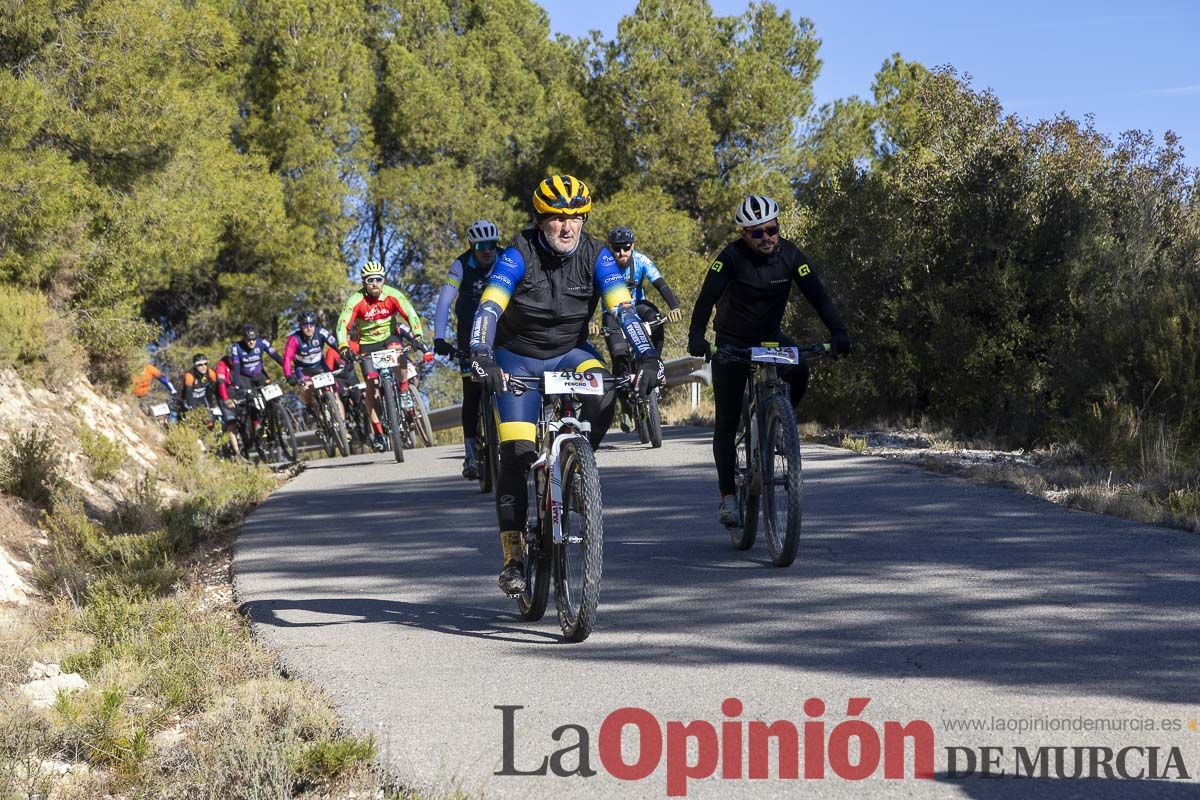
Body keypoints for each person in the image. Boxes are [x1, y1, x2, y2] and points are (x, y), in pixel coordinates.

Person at [470, 175, 665, 594]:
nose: (567, 227)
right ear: (541, 222)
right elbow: (489, 306)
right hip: (515, 358)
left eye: (576, 217)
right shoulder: (517, 254)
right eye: (557, 218)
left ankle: (579, 466)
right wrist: (481, 353)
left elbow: (624, 311)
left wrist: (647, 356)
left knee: (606, 389)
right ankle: (513, 555)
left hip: (570, 353)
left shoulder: (597, 255)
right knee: (517, 451)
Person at [688, 195, 851, 528]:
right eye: (757, 233)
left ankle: (779, 421)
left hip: (770, 337)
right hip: (732, 342)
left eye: (771, 230)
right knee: (727, 420)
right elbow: (705, 300)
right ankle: (728, 498)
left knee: (801, 369)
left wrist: (838, 332)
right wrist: (696, 337)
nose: (766, 238)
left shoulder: (791, 256)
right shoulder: (729, 259)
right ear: (744, 235)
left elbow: (818, 296)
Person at [336, 260, 430, 452]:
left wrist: (417, 335)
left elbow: (410, 314)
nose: (374, 283)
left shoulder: (393, 295)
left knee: (398, 350)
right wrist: (344, 346)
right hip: (368, 345)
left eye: (378, 279)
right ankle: (378, 432)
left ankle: (404, 390)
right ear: (364, 282)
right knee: (371, 386)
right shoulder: (356, 300)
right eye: (370, 280)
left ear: (384, 279)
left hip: (390, 337)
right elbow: (342, 324)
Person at [433, 219, 501, 479]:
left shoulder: (505, 259)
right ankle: (471, 455)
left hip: (501, 328)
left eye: (491, 245)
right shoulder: (460, 265)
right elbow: (444, 302)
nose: (487, 250)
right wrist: (439, 337)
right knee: (472, 392)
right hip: (469, 333)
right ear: (472, 247)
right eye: (480, 246)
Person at [593, 226, 683, 356]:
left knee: (654, 317)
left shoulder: (641, 260)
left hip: (638, 305)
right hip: (612, 312)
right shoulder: (603, 265)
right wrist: (590, 323)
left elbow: (660, 284)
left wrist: (674, 307)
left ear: (633, 246)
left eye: (626, 248)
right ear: (611, 248)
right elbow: (591, 295)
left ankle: (656, 360)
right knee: (620, 357)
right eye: (617, 249)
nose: (622, 253)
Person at [282, 310, 345, 421]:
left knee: (334, 394)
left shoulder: (321, 332)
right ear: (301, 326)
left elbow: (335, 344)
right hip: (303, 369)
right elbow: (287, 358)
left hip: (320, 366)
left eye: (312, 325)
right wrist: (288, 375)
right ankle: (309, 407)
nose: (309, 328)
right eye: (305, 326)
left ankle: (343, 425)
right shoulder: (294, 339)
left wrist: (344, 355)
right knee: (305, 387)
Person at [228, 323, 284, 394]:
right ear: (244, 338)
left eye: (254, 339)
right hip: (245, 377)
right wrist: (236, 385)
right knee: (250, 400)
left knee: (274, 397)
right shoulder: (236, 347)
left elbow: (276, 356)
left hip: (259, 373)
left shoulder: (262, 342)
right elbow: (236, 367)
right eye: (249, 340)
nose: (251, 342)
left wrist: (288, 369)